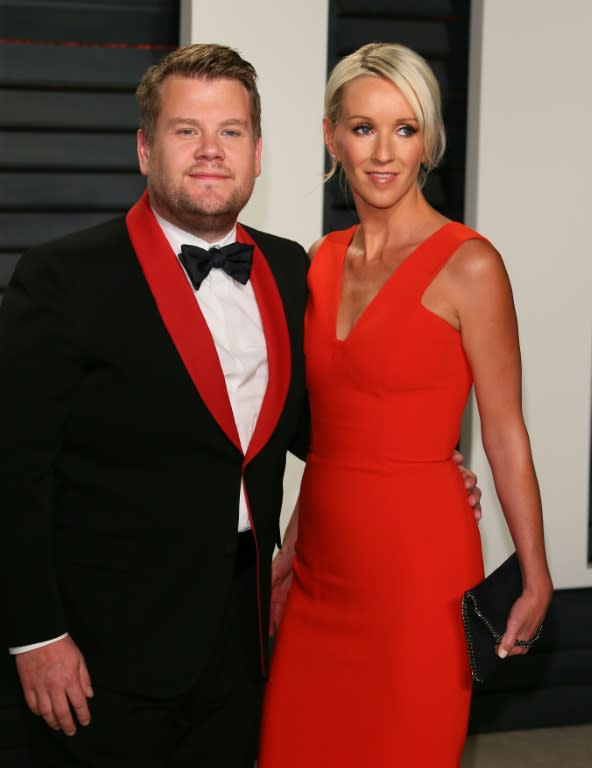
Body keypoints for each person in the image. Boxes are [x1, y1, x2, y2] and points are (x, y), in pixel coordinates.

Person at [0, 42, 481, 768]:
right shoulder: (62, 277)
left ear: (257, 154)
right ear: (143, 148)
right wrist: (36, 636)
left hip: (244, 642)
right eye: (185, 130)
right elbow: (13, 472)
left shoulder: (292, 266)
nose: (209, 152)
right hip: (100, 658)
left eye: (229, 132)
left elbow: (312, 421)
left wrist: (420, 467)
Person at [258, 42, 553, 768]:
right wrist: (291, 553)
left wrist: (536, 570)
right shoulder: (319, 260)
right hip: (321, 568)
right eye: (362, 128)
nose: (383, 152)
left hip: (420, 570)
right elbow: (330, 431)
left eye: (405, 128)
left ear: (429, 142)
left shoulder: (470, 263)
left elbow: (506, 431)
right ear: (331, 136)